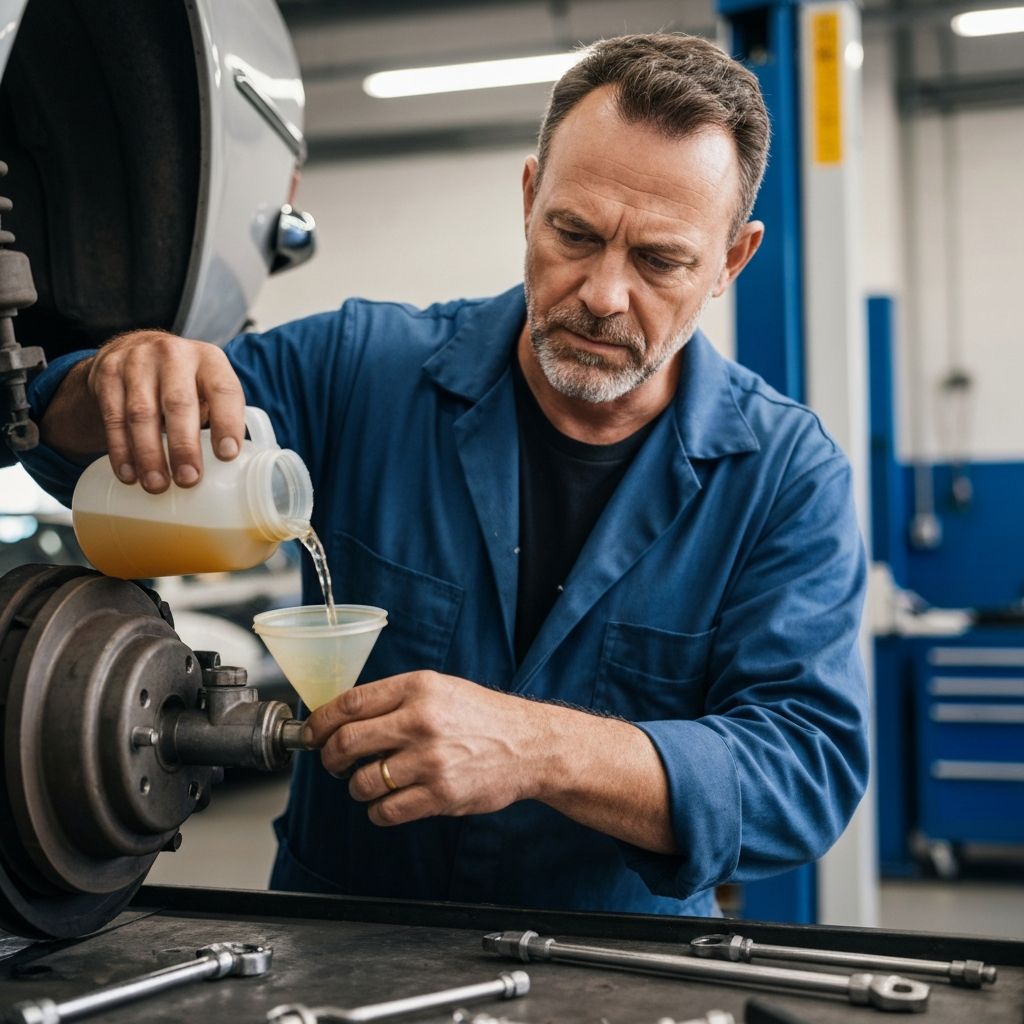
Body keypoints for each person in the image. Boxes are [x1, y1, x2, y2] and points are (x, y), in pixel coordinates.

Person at [20, 33, 868, 917]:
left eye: (659, 261)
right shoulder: (361, 370)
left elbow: (803, 772)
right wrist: (116, 377)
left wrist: (537, 748)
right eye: (574, 234)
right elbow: (69, 439)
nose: (605, 294)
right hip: (343, 948)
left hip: (616, 972)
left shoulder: (785, 478)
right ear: (532, 198)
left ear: (732, 260)